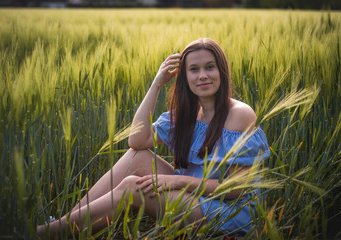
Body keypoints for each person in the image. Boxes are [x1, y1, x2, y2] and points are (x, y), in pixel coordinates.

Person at [37, 38, 270, 238]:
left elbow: (237, 189)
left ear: (222, 71)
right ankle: (62, 226)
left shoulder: (239, 115)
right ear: (184, 76)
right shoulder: (187, 114)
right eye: (194, 69)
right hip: (191, 193)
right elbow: (137, 142)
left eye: (210, 67)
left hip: (227, 211)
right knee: (136, 157)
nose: (203, 76)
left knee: (131, 188)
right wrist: (156, 84)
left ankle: (47, 233)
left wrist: (176, 181)